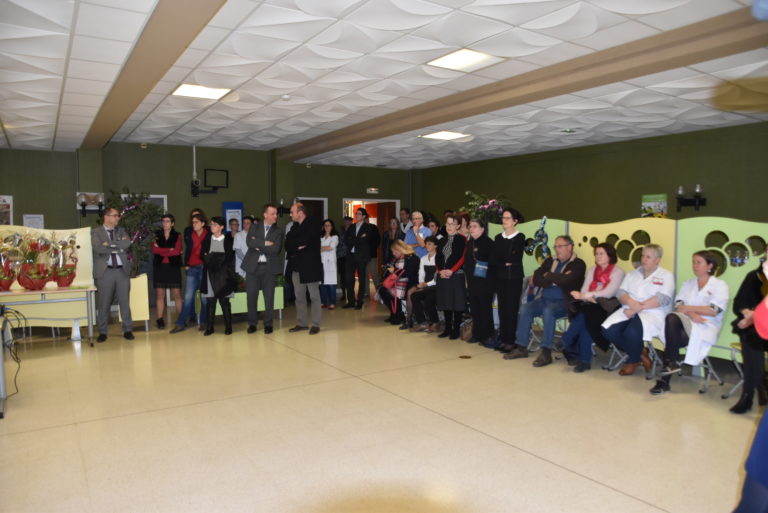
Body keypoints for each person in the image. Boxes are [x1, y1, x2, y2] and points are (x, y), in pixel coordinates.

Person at [648, 250, 730, 395]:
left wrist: (688, 309)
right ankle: (669, 366)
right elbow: (679, 305)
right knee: (672, 318)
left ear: (710, 266)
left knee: (672, 325)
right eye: (693, 262)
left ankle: (666, 376)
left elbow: (714, 310)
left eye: (699, 262)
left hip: (707, 325)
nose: (695, 265)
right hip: (687, 323)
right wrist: (692, 313)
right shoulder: (688, 284)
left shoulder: (720, 285)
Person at [505, 235, 586, 365]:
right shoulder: (550, 261)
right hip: (543, 299)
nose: (557, 249)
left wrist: (548, 275)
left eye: (560, 246)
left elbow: (567, 281)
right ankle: (521, 347)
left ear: (570, 247)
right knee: (525, 308)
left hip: (563, 302)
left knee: (549, 311)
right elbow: (537, 277)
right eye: (555, 247)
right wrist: (555, 279)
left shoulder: (578, 264)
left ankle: (546, 352)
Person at [601, 244, 675, 376]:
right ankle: (641, 353)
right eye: (642, 256)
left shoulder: (666, 275)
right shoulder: (632, 274)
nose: (644, 259)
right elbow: (620, 293)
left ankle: (633, 360)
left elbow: (663, 298)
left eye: (648, 257)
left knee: (631, 333)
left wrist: (637, 308)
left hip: (652, 312)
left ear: (657, 260)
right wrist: (631, 303)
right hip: (629, 308)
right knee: (608, 331)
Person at [561, 243, 624, 373]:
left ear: (610, 255)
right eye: (596, 254)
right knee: (587, 318)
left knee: (587, 316)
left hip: (606, 307)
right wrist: (587, 297)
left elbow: (609, 293)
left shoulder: (618, 272)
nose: (598, 256)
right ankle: (584, 360)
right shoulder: (592, 270)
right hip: (589, 304)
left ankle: (567, 340)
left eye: (601, 253)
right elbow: (584, 290)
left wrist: (588, 295)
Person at [729, 249, 768, 413]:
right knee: (750, 337)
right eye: (766, 256)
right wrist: (748, 314)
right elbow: (738, 303)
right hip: (757, 327)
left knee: (751, 336)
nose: (765, 262)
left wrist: (753, 318)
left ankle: (750, 393)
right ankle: (758, 385)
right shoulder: (754, 276)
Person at [91, 207, 133, 342]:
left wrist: (108, 244)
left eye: (118, 216)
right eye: (115, 215)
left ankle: (127, 330)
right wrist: (117, 247)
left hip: (122, 272)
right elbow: (98, 248)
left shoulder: (121, 231)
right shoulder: (96, 232)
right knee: (104, 303)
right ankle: (102, 332)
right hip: (105, 272)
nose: (118, 218)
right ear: (107, 217)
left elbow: (126, 244)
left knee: (124, 302)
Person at [242, 205, 283, 335]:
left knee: (269, 297)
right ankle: (252, 324)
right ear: (265, 215)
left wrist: (258, 243)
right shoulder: (254, 227)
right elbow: (250, 243)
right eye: (272, 213)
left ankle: (268, 324)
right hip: (252, 267)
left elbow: (276, 249)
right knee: (251, 296)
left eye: (276, 214)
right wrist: (266, 243)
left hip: (269, 268)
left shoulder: (278, 231)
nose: (275, 216)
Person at [489, 208, 525, 351]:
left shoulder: (520, 237)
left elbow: (514, 258)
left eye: (508, 218)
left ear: (515, 221)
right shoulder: (498, 237)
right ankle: (503, 339)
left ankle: (511, 340)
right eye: (503, 218)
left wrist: (504, 259)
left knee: (511, 309)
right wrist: (504, 261)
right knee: (502, 309)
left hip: (514, 278)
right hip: (500, 277)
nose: (504, 220)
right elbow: (493, 258)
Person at [285, 203, 323, 334]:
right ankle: (302, 323)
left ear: (300, 213)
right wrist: (297, 246)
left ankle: (316, 324)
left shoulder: (313, 225)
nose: (290, 215)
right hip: (297, 266)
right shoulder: (294, 227)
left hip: (311, 266)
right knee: (299, 296)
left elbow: (305, 240)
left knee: (314, 296)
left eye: (292, 212)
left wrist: (296, 244)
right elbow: (287, 244)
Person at [170, 213, 210, 333]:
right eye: (193, 222)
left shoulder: (209, 234)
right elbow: (187, 249)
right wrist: (186, 264)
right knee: (187, 297)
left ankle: (203, 322)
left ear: (203, 223)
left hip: (204, 268)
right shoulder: (189, 233)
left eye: (196, 222)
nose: (194, 224)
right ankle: (180, 324)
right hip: (192, 268)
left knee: (204, 298)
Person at [200, 216, 237, 336]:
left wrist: (211, 257)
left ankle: (228, 327)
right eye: (211, 224)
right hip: (209, 274)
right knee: (210, 302)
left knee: (224, 301)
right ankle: (209, 328)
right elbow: (203, 256)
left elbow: (228, 258)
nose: (212, 226)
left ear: (221, 227)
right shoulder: (207, 240)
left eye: (215, 224)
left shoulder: (228, 241)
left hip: (223, 275)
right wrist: (216, 257)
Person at [435, 214, 468, 340]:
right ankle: (447, 328)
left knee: (456, 303)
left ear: (458, 226)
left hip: (456, 275)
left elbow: (462, 257)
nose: (449, 226)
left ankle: (456, 329)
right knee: (446, 302)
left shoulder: (462, 239)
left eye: (452, 224)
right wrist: (440, 271)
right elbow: (438, 258)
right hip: (443, 275)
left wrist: (452, 270)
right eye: (447, 224)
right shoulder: (441, 240)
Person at [464, 219, 495, 343]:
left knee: (485, 309)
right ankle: (476, 334)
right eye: (470, 226)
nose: (471, 229)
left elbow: (493, 264)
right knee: (475, 309)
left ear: (482, 229)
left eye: (475, 226)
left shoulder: (488, 243)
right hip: (472, 281)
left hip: (485, 282)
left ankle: (487, 335)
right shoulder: (469, 243)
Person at [151, 213, 183, 330]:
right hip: (160, 267)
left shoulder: (177, 235)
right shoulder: (156, 235)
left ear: (172, 224)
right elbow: (154, 250)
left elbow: (177, 251)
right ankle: (159, 319)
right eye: (163, 221)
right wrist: (169, 249)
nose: (165, 223)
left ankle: (181, 319)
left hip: (173, 267)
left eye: (167, 221)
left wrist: (162, 250)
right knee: (160, 294)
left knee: (177, 294)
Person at [377, 239, 419, 325]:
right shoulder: (397, 258)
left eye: (394, 251)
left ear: (400, 249)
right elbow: (396, 272)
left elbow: (410, 274)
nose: (393, 253)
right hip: (398, 282)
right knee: (382, 290)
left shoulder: (413, 258)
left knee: (389, 292)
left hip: (409, 283)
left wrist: (394, 270)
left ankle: (398, 314)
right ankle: (394, 313)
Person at [343, 208, 378, 309]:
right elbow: (346, 240)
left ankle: (359, 301)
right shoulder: (351, 226)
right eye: (356, 213)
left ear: (363, 216)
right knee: (349, 279)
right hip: (350, 256)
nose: (356, 215)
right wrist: (358, 239)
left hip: (362, 257)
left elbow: (364, 241)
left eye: (359, 214)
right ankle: (351, 301)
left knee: (362, 280)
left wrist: (353, 240)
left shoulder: (368, 227)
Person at [409, 236, 439, 333]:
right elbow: (421, 273)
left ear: (435, 246)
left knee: (429, 299)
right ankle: (422, 323)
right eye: (426, 244)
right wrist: (421, 283)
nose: (427, 246)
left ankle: (435, 323)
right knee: (414, 295)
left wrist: (426, 284)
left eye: (430, 244)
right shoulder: (423, 258)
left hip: (436, 286)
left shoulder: (439, 258)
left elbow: (437, 277)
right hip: (425, 286)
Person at [320, 219, 339, 309]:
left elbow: (331, 247)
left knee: (331, 284)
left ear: (332, 227)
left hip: (330, 263)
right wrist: (324, 248)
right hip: (321, 262)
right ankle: (323, 302)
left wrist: (321, 248)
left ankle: (332, 303)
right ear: (323, 227)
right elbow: (317, 248)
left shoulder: (334, 237)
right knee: (322, 284)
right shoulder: (321, 237)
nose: (327, 227)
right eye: (325, 225)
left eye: (329, 225)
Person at [363, 211, 381, 299]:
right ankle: (366, 292)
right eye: (364, 218)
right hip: (363, 256)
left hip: (372, 255)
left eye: (367, 218)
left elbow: (378, 240)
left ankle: (379, 292)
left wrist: (372, 248)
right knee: (365, 274)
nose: (366, 220)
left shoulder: (374, 227)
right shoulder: (360, 228)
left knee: (374, 273)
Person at [337, 216, 353, 304]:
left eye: (348, 222)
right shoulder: (340, 231)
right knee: (342, 276)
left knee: (349, 276)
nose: (346, 223)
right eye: (345, 221)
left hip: (350, 256)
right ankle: (344, 294)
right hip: (341, 256)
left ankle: (351, 294)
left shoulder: (353, 230)